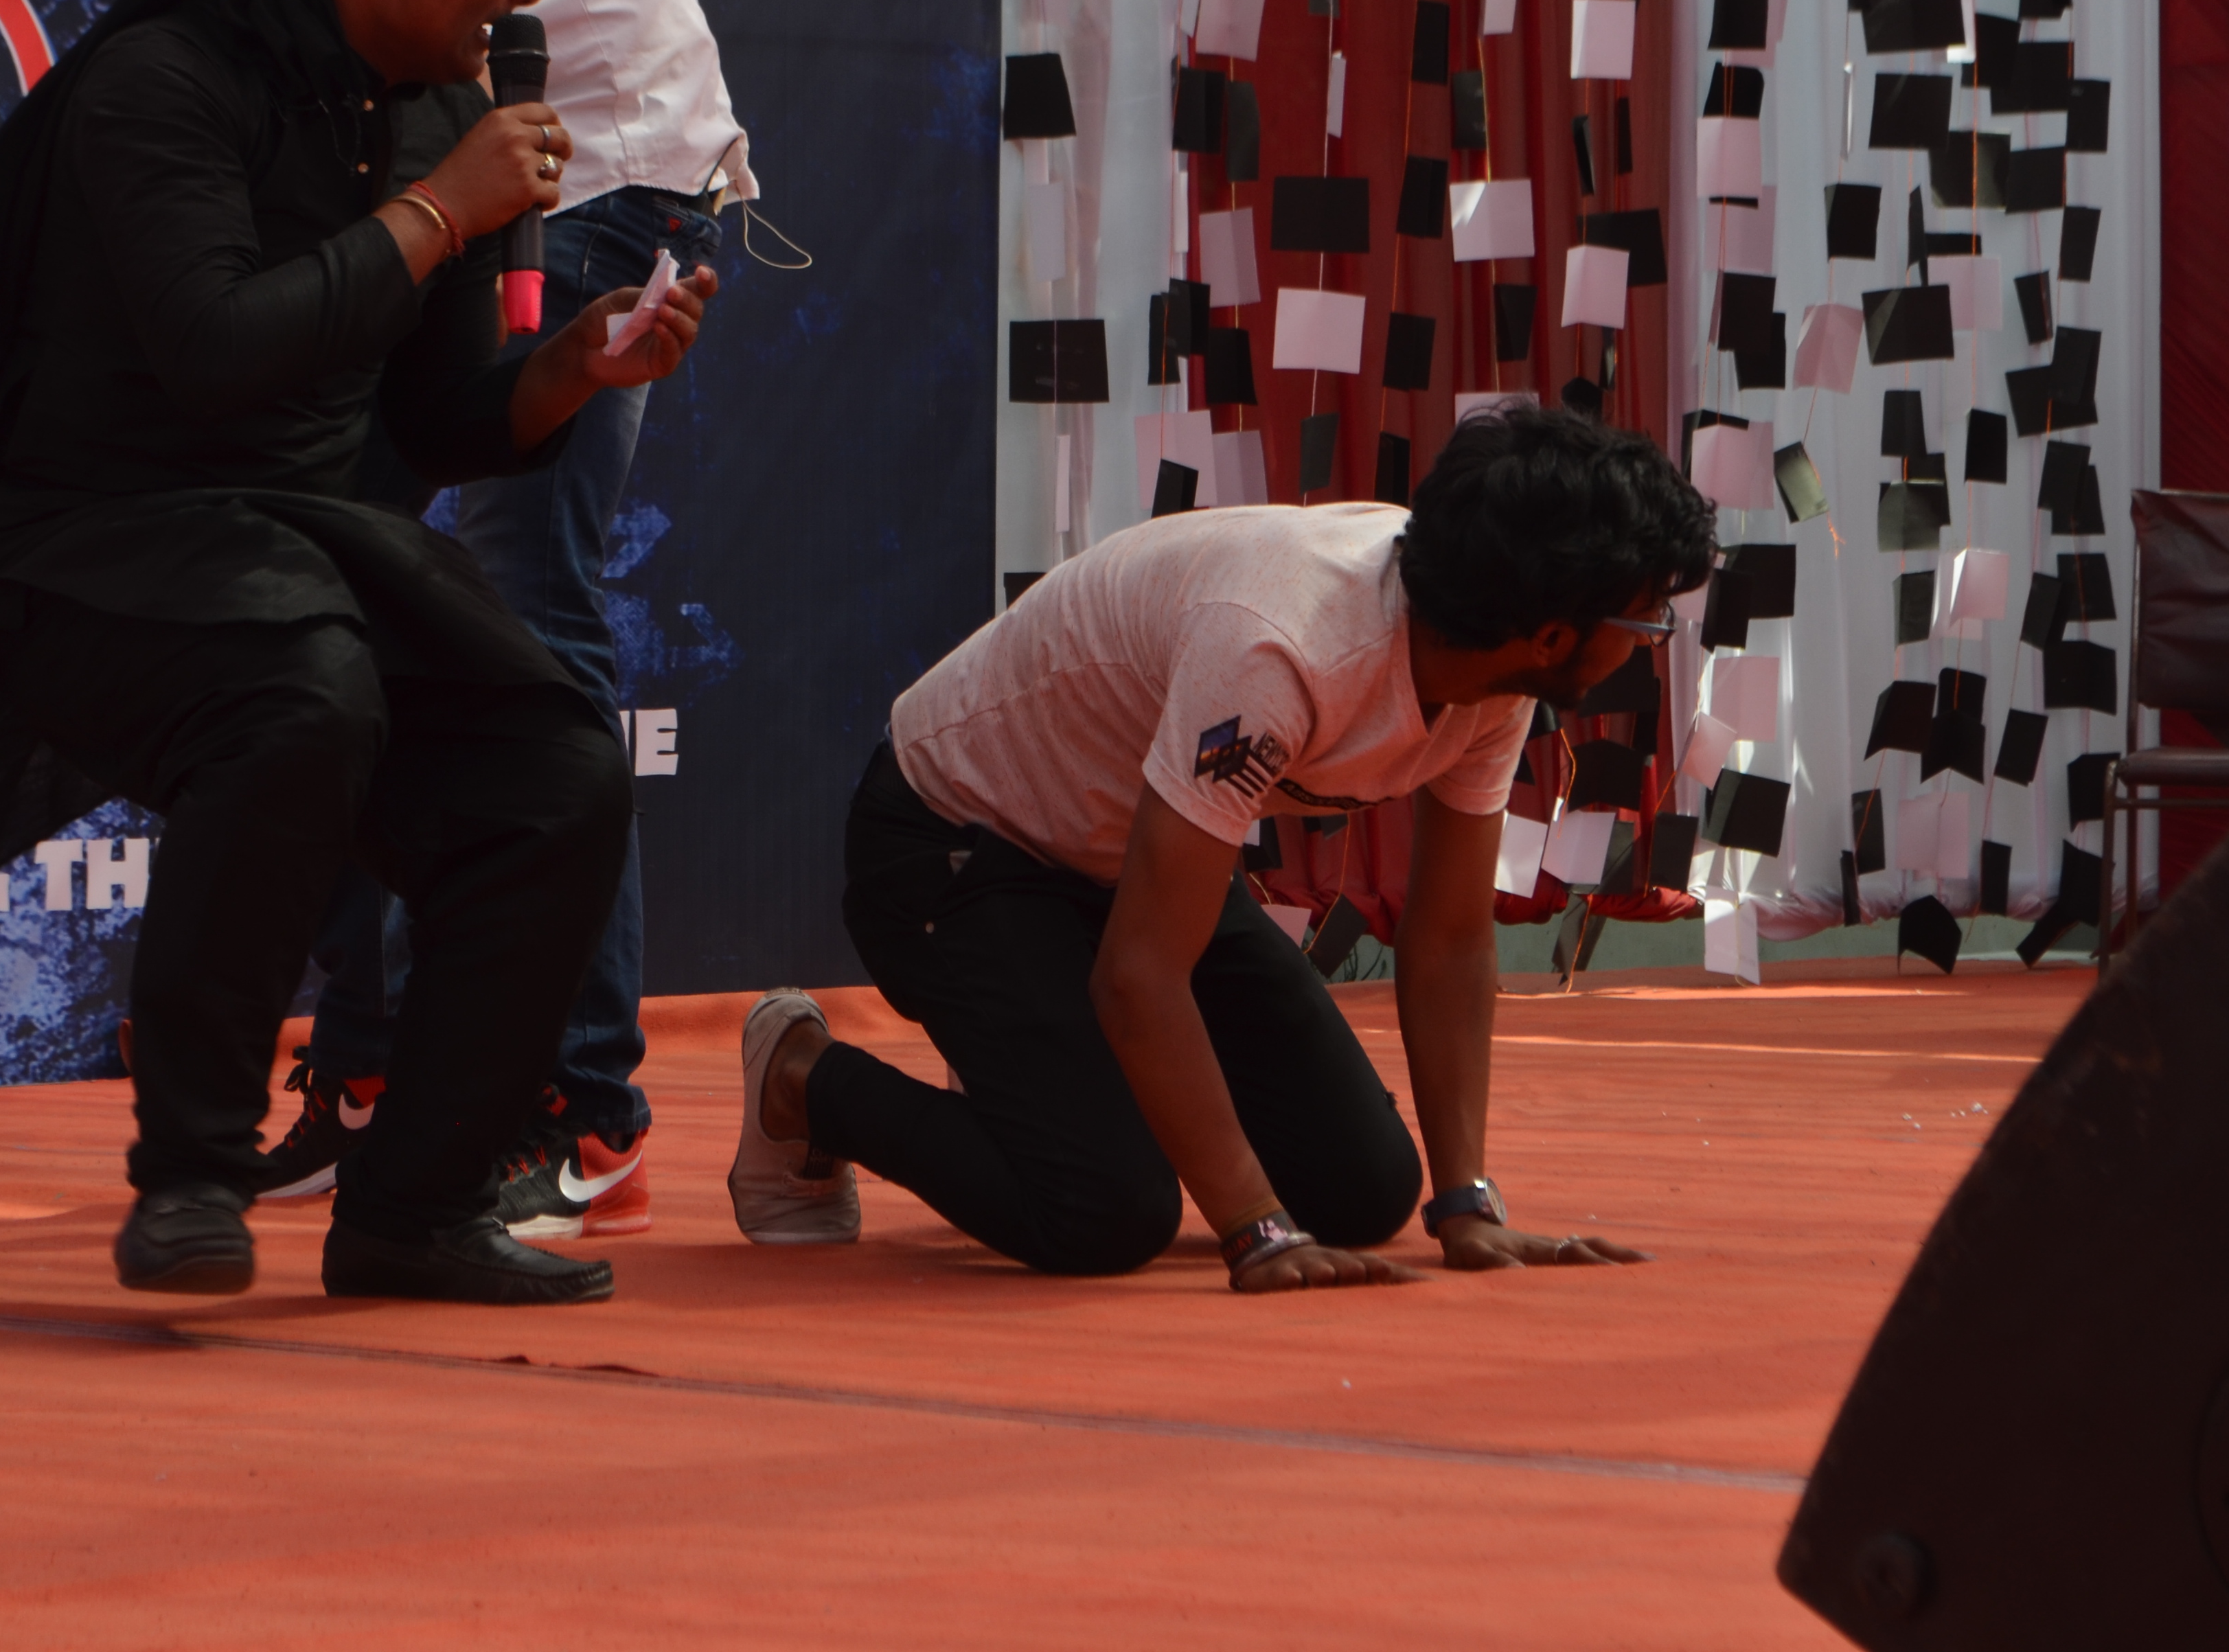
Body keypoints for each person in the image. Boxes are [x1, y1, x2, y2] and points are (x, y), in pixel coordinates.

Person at [0, 0, 720, 1307]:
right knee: (303, 689)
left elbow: (429, 421)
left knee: (555, 766)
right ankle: (192, 1171)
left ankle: (414, 1206)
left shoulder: (437, 113)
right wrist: (443, 211)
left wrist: (569, 368)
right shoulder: (163, 83)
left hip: (294, 550)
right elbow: (216, 354)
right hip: (85, 558)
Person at [24, 0, 751, 1237]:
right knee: (318, 599)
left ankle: (580, 1103)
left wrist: (402, 226)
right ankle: (366, 1077)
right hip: (433, 189)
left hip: (592, 166)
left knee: (522, 608)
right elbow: (307, 31)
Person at [731, 403, 1714, 1289]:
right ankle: (805, 1076)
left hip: (1125, 852)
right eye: (1646, 619)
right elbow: (1140, 975)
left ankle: (1042, 1073)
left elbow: (1452, 936)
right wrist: (1255, 1229)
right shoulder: (1277, 648)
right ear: (1551, 633)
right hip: (954, 843)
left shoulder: (1494, 670)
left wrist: (1466, 1203)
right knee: (1107, 1213)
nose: (1651, 638)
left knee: (1364, 1191)